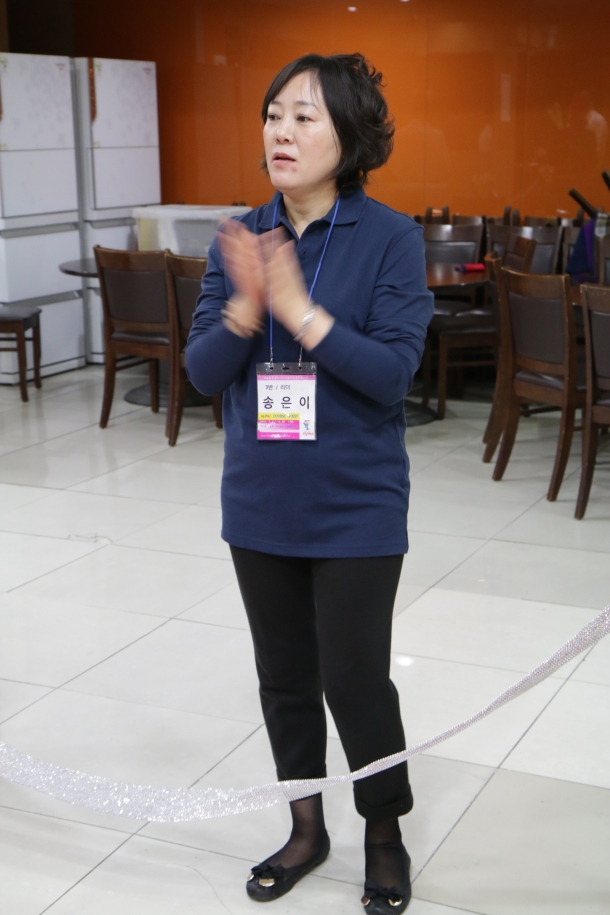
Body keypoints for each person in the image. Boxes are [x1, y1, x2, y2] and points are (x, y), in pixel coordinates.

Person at [186, 52, 433, 914]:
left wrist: (299, 311)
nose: (281, 132)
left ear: (350, 136)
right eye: (273, 114)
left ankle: (384, 831)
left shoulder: (391, 237)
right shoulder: (243, 234)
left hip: (357, 503)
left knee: (356, 681)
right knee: (284, 678)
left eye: (305, 116)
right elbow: (202, 371)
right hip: (260, 499)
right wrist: (247, 306)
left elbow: (393, 374)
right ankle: (305, 827)